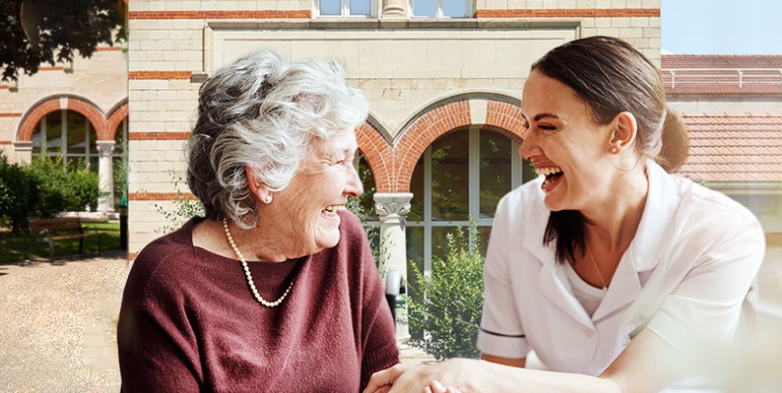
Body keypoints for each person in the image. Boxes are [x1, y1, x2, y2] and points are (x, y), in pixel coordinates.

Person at [364, 36, 765, 393]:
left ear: (619, 134)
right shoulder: (517, 214)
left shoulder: (722, 235)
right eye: (527, 125)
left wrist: (460, 373)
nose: (526, 148)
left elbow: (624, 386)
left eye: (547, 126)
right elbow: (502, 376)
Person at [117, 50, 399, 392]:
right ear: (265, 176)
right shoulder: (168, 282)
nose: (356, 187)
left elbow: (386, 380)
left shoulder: (344, 243)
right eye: (339, 161)